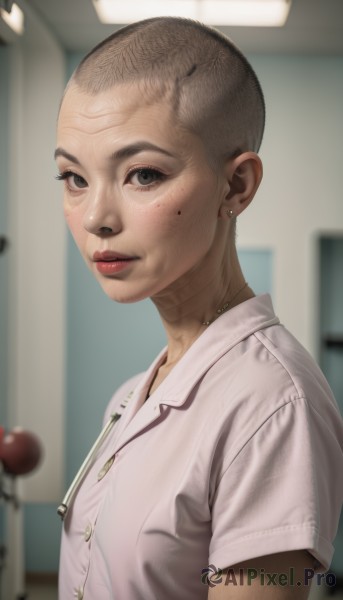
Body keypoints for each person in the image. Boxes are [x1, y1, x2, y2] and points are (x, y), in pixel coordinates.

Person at [55, 17, 343, 599]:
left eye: (142, 174)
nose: (95, 218)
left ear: (236, 187)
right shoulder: (131, 396)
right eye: (73, 177)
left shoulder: (272, 407)